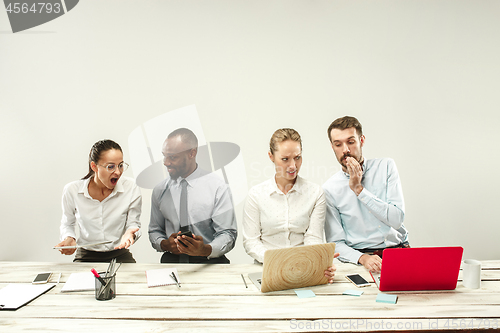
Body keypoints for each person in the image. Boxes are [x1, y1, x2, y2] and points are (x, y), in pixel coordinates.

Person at [243, 128, 338, 283]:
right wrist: (278, 261)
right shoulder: (256, 195)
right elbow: (251, 242)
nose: (293, 165)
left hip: (304, 269)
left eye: (298, 157)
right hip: (267, 269)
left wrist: (318, 259)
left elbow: (313, 237)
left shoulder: (315, 193)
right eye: (285, 159)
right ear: (271, 157)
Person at [323, 116, 409, 273]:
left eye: (351, 142)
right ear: (332, 146)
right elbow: (335, 242)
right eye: (338, 144)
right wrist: (362, 259)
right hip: (361, 260)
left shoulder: (386, 167)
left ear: (361, 140)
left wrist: (359, 190)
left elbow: (397, 220)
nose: (346, 150)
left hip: (399, 251)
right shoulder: (329, 189)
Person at [148, 128, 237, 264]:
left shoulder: (217, 187)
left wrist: (205, 249)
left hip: (209, 261)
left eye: (172, 157)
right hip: (172, 261)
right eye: (164, 156)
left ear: (192, 153)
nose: (166, 162)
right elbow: (155, 230)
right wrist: (165, 244)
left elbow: (227, 234)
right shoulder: (160, 190)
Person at [55, 139, 142, 263]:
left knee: (135, 280)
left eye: (120, 165)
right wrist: (69, 238)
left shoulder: (131, 187)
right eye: (110, 166)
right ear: (94, 166)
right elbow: (67, 223)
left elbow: (134, 224)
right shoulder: (72, 190)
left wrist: (130, 233)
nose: (118, 172)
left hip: (119, 253)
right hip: (86, 255)